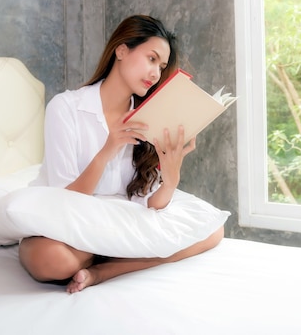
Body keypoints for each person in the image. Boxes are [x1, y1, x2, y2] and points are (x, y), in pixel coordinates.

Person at [19, 15, 224, 293]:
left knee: (213, 231)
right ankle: (107, 252)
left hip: (119, 223)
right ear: (122, 50)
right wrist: (107, 151)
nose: (155, 74)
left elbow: (148, 204)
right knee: (50, 261)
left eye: (162, 67)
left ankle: (103, 271)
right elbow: (63, 201)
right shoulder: (66, 108)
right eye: (151, 59)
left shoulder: (149, 118)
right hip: (69, 221)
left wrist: (171, 178)